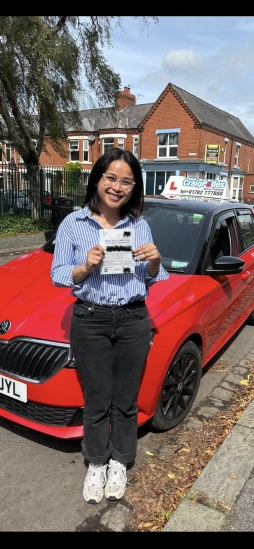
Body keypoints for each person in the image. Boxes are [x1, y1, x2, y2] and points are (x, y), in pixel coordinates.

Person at [51, 148, 169, 505]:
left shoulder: (139, 225)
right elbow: (58, 276)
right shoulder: (74, 224)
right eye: (111, 178)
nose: (117, 187)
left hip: (133, 318)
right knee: (97, 399)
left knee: (125, 399)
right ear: (97, 179)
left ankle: (120, 461)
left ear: (135, 188)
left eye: (127, 181)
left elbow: (151, 279)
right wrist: (85, 266)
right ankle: (97, 463)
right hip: (90, 318)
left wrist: (155, 260)